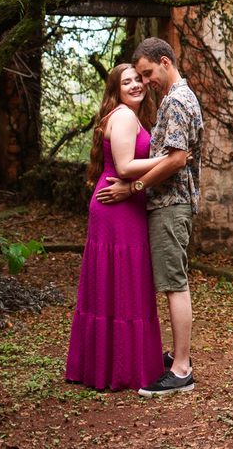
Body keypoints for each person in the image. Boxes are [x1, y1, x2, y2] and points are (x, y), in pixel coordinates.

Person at [96, 37, 204, 397]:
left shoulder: (175, 101)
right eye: (137, 77)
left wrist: (133, 189)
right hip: (169, 204)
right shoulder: (176, 99)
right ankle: (176, 356)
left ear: (164, 61)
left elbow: (175, 159)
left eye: (147, 74)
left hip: (172, 204)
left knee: (174, 283)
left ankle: (181, 369)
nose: (145, 82)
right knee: (172, 280)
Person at [65, 63, 177, 391]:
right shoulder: (126, 116)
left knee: (117, 283)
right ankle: (120, 368)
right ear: (116, 89)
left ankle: (106, 366)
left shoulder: (129, 116)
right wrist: (171, 158)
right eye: (126, 82)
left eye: (138, 80)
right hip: (118, 207)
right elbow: (126, 167)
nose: (135, 86)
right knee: (124, 281)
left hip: (120, 204)